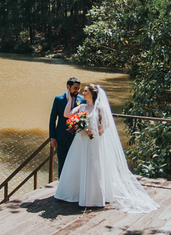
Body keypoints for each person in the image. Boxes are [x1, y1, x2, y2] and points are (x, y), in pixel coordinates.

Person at [54, 85, 159, 213]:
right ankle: (75, 194)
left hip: (93, 141)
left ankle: (93, 196)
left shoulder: (100, 108)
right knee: (77, 165)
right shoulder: (81, 106)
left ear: (92, 93)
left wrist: (95, 131)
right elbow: (67, 114)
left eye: (86, 91)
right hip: (80, 141)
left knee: (93, 166)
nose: (83, 92)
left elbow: (107, 124)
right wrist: (70, 100)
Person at [49, 77, 82, 175]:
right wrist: (52, 137)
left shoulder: (82, 100)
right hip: (61, 138)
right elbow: (52, 119)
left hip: (76, 138)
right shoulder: (59, 99)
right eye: (75, 88)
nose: (77, 91)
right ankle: (61, 187)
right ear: (68, 87)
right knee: (62, 164)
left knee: (75, 164)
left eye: (79, 88)